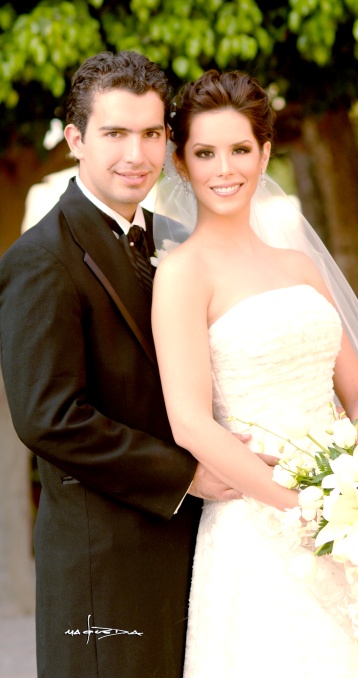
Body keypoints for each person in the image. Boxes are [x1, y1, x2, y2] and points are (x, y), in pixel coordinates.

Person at [151, 70, 358, 676]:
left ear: (265, 152)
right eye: (205, 152)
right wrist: (301, 508)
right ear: (181, 163)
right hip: (256, 531)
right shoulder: (183, 273)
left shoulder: (301, 265)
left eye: (241, 149)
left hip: (345, 530)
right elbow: (189, 422)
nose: (225, 168)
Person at [0, 51, 242, 678]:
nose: (135, 154)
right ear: (75, 139)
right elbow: (50, 419)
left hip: (199, 552)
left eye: (151, 134)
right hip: (102, 571)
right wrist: (187, 475)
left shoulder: (177, 242)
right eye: (114, 133)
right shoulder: (41, 259)